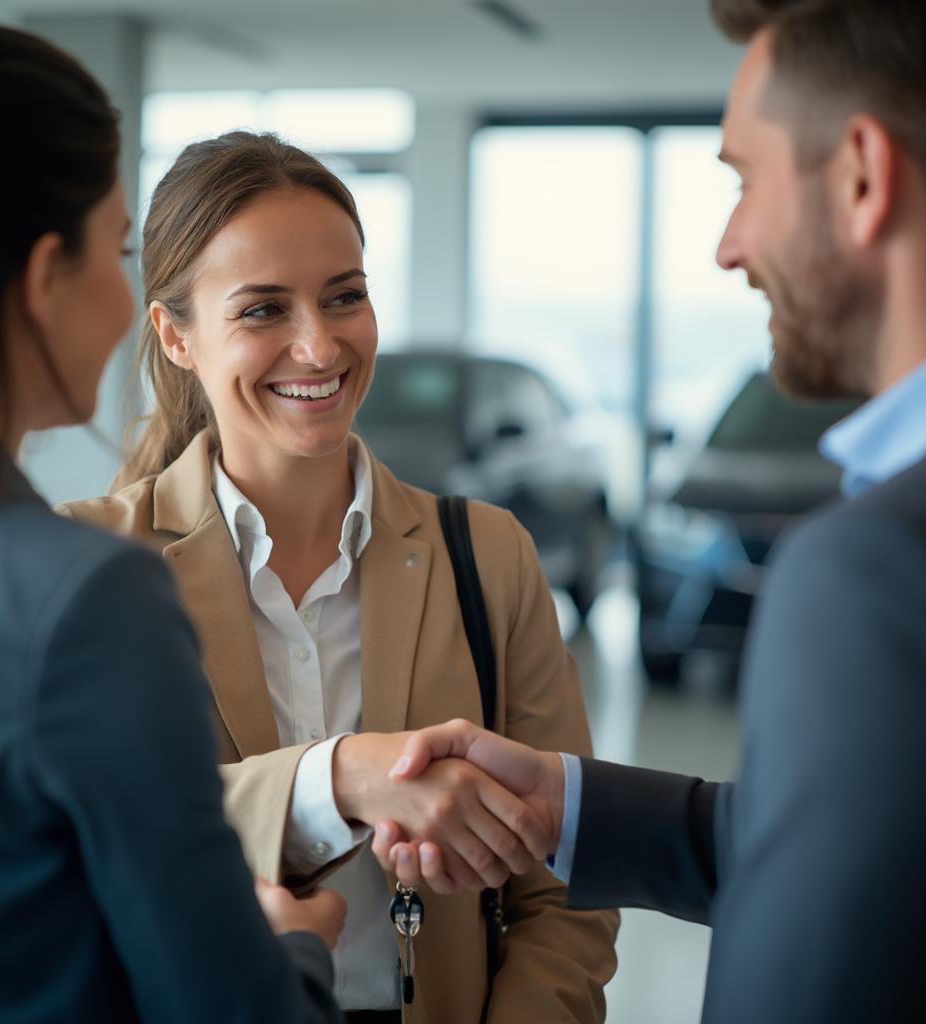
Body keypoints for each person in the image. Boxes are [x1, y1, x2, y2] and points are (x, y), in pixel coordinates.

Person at [375, 0, 926, 1021]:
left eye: (743, 180)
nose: (729, 247)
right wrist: (572, 806)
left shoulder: (881, 564)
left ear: (862, 175)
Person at [57, 130, 617, 1022]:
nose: (318, 348)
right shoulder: (84, 565)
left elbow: (567, 880)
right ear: (176, 337)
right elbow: (80, 833)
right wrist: (338, 778)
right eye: (263, 310)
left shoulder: (487, 554)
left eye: (343, 296)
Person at [0, 22, 348, 1023]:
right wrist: (298, 947)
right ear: (43, 279)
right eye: (117, 248)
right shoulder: (84, 591)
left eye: (345, 294)